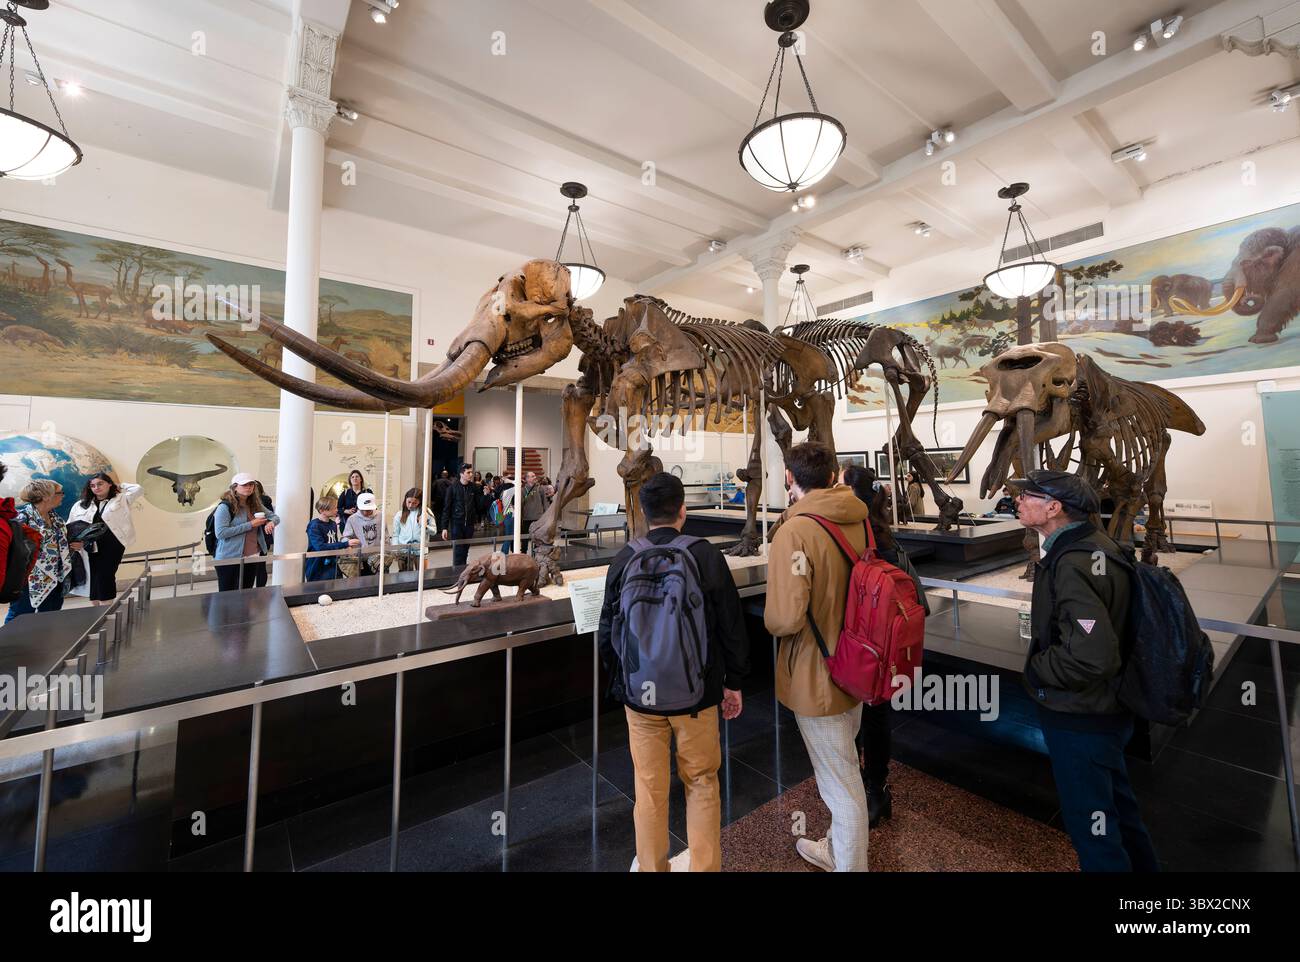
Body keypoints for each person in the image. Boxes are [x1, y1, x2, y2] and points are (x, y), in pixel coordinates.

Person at [597, 472, 749, 872]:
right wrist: (733, 683)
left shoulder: (624, 557)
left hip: (639, 696)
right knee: (701, 782)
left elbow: (606, 629)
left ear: (644, 513)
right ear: (683, 510)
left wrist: (618, 683)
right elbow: (731, 626)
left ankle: (651, 867)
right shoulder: (704, 555)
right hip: (696, 695)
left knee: (649, 789)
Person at [1014, 469, 1159, 872]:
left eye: (1027, 496)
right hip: (1107, 708)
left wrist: (1038, 669)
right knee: (1119, 812)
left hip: (1083, 715)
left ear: (1054, 508)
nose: (1019, 502)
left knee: (1093, 827)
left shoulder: (1073, 563)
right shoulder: (1097, 546)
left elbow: (1092, 654)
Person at [764, 441, 871, 872]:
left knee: (841, 788)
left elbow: (785, 618)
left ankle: (850, 866)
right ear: (834, 474)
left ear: (790, 478)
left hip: (818, 673)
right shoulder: (858, 518)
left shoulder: (796, 530)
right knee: (846, 767)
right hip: (856, 663)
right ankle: (835, 848)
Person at [842, 465, 930, 828]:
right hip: (885, 647)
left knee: (867, 718)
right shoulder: (884, 534)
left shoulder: (864, 538)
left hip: (868, 645)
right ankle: (875, 788)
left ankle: (871, 790)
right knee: (876, 716)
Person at [4, 480, 82, 623]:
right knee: (20, 615)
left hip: (56, 575)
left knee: (51, 615)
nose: (63, 496)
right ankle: (12, 643)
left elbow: (55, 544)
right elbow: (13, 549)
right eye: (60, 493)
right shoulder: (23, 518)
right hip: (28, 578)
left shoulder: (55, 518)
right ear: (46, 496)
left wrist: (70, 545)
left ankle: (44, 643)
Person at [67, 472, 143, 606]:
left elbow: (138, 489)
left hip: (112, 544)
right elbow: (71, 526)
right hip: (88, 545)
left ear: (109, 484)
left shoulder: (122, 499)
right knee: (92, 576)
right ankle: (96, 610)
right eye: (93, 485)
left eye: (100, 484)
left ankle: (105, 609)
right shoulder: (81, 504)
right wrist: (76, 543)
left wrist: (119, 485)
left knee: (105, 575)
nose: (96, 487)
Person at [212, 473, 280, 591]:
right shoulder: (224, 507)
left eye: (251, 484)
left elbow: (275, 517)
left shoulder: (255, 504)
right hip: (229, 557)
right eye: (244, 485)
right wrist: (251, 524)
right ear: (234, 487)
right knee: (227, 595)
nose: (248, 487)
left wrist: (271, 522)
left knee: (247, 592)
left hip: (252, 555)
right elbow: (221, 533)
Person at [441, 463, 479, 567]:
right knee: (458, 551)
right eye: (468, 472)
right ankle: (457, 574)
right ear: (462, 474)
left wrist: (486, 495)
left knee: (465, 550)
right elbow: (447, 508)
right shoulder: (452, 488)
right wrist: (444, 527)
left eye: (471, 472)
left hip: (469, 525)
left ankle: (462, 572)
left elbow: (478, 505)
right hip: (457, 524)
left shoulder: (474, 488)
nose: (471, 474)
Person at [304, 496, 346, 582]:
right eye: (333, 508)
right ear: (322, 510)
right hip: (316, 565)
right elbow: (320, 547)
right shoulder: (314, 525)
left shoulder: (333, 524)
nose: (336, 510)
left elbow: (333, 542)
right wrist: (345, 544)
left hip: (332, 564)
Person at [341, 492, 381, 577]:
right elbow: (346, 537)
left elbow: (385, 536)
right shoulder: (352, 519)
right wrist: (348, 543)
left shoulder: (380, 516)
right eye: (364, 510)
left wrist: (387, 552)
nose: (366, 512)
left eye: (368, 510)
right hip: (359, 558)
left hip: (377, 558)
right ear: (359, 507)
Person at [390, 488, 426, 571]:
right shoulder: (399, 515)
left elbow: (433, 531)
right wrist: (395, 549)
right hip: (404, 551)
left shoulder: (425, 513)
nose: (410, 505)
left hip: (419, 550)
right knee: (404, 576)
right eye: (409, 502)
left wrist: (425, 526)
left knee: (421, 575)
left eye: (414, 503)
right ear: (405, 500)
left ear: (419, 502)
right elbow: (395, 534)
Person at [430, 470, 452, 538]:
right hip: (446, 501)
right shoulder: (450, 482)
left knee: (438, 515)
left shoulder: (437, 481)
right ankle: (444, 528)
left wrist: (432, 500)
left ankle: (439, 528)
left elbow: (432, 491)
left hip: (438, 501)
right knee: (445, 514)